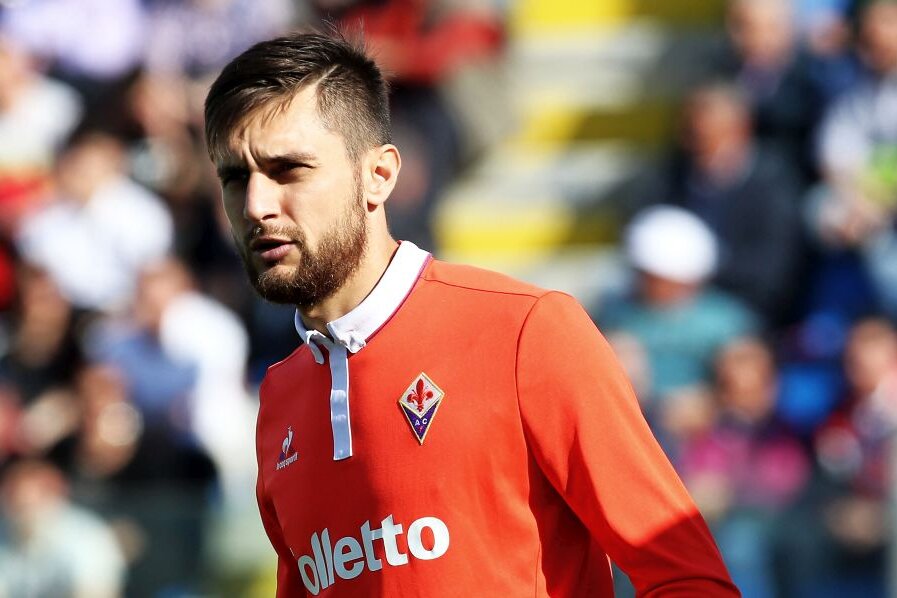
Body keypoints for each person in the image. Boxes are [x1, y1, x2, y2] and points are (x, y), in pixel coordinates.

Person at [203, 31, 739, 596]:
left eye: (289, 169)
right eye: (235, 178)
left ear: (378, 176)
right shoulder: (279, 401)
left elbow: (689, 580)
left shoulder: (526, 332)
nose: (256, 205)